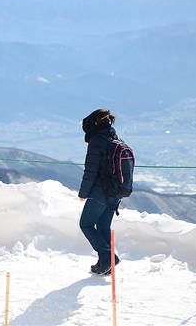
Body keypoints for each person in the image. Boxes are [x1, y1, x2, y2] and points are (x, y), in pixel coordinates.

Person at [78, 108, 121, 275]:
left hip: (100, 192)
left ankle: (108, 257)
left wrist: (83, 193)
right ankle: (106, 264)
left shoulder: (97, 141)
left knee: (86, 224)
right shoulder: (114, 138)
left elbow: (90, 171)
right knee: (103, 226)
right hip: (116, 192)